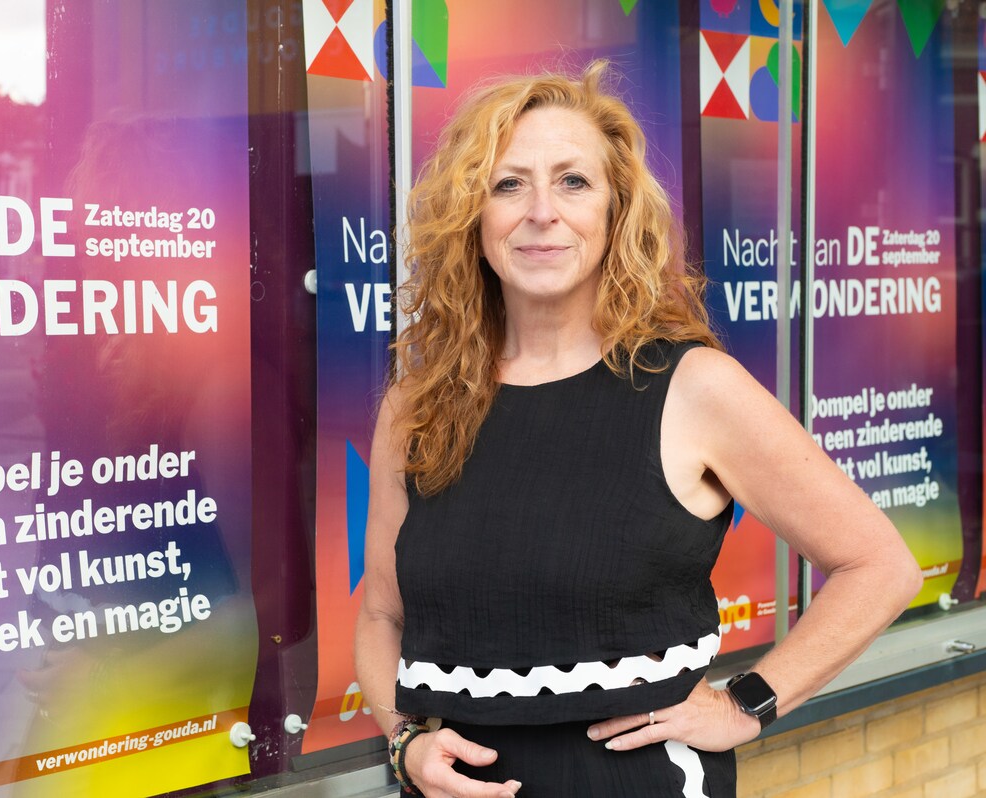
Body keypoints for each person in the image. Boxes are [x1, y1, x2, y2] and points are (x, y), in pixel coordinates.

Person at [353, 62, 921, 797]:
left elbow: (879, 566)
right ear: (472, 215)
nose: (541, 212)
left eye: (573, 182)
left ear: (617, 210)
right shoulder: (419, 403)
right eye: (507, 184)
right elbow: (381, 613)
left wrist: (745, 705)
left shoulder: (692, 387)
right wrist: (405, 743)